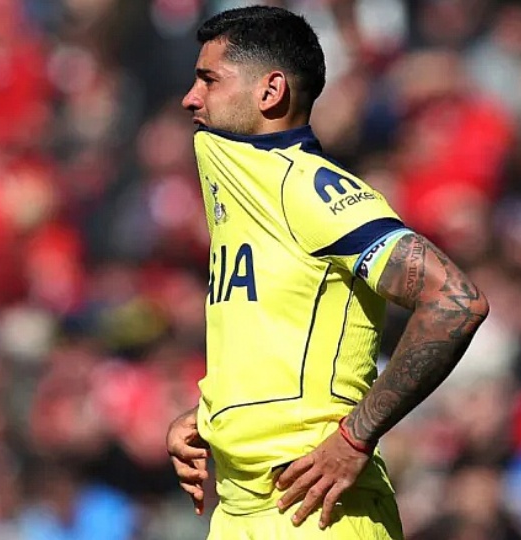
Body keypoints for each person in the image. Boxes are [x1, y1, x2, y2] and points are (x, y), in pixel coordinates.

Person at [166, 6, 490, 539]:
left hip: (315, 510)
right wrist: (212, 415)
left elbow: (455, 301)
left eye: (209, 80)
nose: (190, 98)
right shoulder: (243, 186)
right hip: (238, 512)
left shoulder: (310, 189)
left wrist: (355, 437)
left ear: (270, 91)